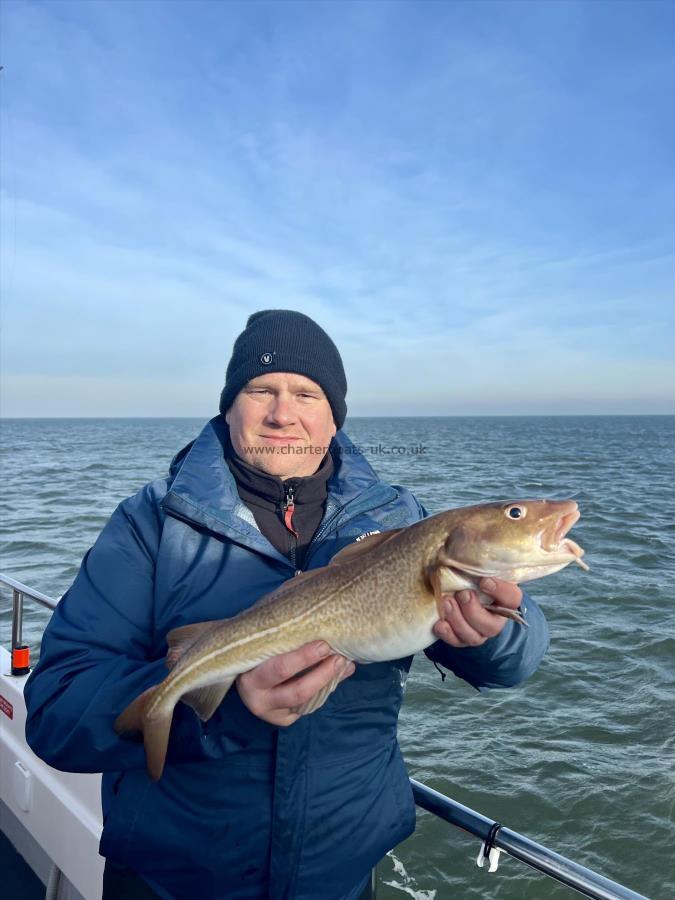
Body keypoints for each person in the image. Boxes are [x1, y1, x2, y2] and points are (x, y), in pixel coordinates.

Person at [24, 310, 549, 900]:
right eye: (260, 390)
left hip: (342, 879)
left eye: (306, 392)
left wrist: (496, 633)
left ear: (334, 415)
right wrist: (224, 705)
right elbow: (55, 709)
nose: (282, 413)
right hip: (172, 883)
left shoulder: (402, 523)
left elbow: (517, 664)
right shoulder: (151, 524)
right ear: (229, 405)